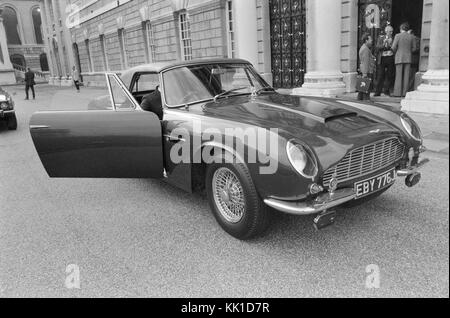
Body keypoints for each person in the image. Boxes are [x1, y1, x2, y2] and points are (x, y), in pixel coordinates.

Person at [392, 22, 417, 97]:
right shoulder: (412, 37)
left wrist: (396, 51)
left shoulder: (397, 36)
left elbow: (393, 47)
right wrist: (409, 51)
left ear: (401, 29)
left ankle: (397, 93)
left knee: (398, 76)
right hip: (408, 57)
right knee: (406, 76)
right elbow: (414, 48)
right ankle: (404, 93)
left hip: (399, 57)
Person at [374, 25, 395, 96]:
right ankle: (377, 91)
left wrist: (390, 43)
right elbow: (377, 47)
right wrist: (384, 44)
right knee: (380, 75)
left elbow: (394, 48)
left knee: (389, 75)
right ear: (386, 31)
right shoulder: (381, 38)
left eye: (392, 31)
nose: (391, 33)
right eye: (390, 31)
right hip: (382, 58)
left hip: (390, 57)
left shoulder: (394, 38)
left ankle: (387, 90)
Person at [358, 33, 376, 101]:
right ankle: (367, 101)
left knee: (362, 89)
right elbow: (365, 62)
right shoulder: (365, 49)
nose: (372, 41)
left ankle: (359, 101)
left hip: (365, 71)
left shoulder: (364, 48)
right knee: (366, 89)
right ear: (366, 40)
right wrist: (365, 74)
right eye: (370, 40)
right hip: (367, 71)